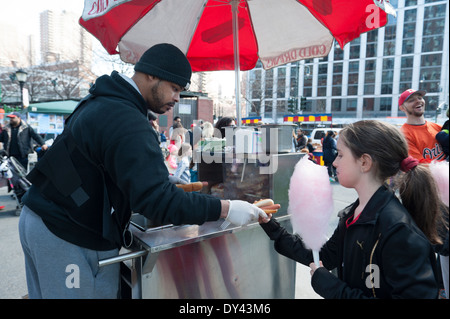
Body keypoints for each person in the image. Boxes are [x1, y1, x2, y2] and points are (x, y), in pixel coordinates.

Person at [18, 43, 268, 299]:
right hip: (66, 233)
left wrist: (157, 176)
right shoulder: (126, 118)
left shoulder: (103, 100)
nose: (177, 99)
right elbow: (157, 202)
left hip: (39, 219)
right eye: (174, 88)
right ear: (151, 75)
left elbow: (97, 163)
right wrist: (226, 209)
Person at [260, 120, 443, 299]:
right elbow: (324, 256)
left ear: (364, 162)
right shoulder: (354, 213)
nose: (334, 163)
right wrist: (271, 226)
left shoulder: (398, 230)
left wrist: (330, 286)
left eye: (340, 155)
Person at [398, 89, 446, 162]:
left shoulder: (438, 127)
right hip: (432, 172)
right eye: (411, 100)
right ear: (402, 108)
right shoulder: (404, 135)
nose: (418, 101)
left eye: (420, 98)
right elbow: (421, 167)